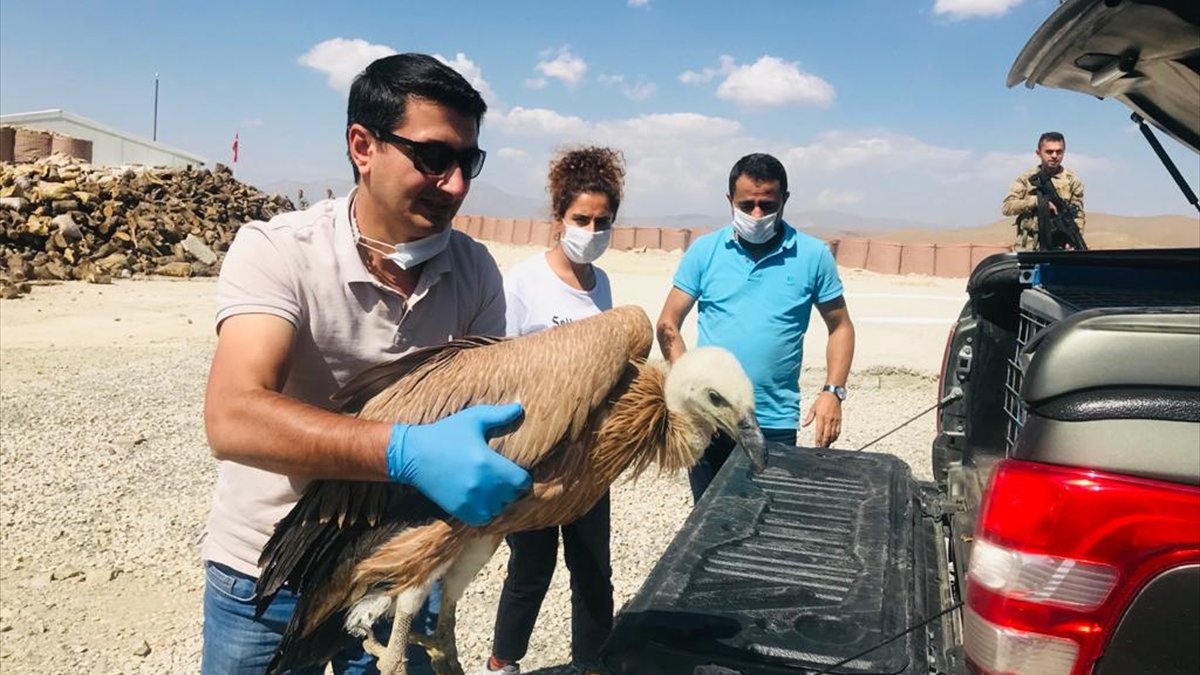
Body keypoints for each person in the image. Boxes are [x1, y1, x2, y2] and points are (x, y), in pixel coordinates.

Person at [199, 53, 533, 675]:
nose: (455, 185)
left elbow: (485, 423)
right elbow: (232, 417)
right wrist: (402, 451)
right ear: (362, 146)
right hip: (269, 571)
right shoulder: (279, 251)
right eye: (433, 157)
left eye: (468, 162)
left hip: (402, 568)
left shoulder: (475, 271)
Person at [478, 147, 625, 675]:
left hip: (589, 456)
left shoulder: (602, 285)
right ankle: (503, 660)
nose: (591, 230)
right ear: (559, 217)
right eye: (581, 219)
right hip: (533, 455)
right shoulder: (523, 282)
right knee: (531, 565)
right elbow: (498, 367)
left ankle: (592, 662)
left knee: (593, 568)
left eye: (602, 222)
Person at [657, 153, 856, 502]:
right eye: (747, 205)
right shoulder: (705, 252)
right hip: (712, 420)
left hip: (774, 421)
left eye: (768, 204)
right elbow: (668, 323)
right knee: (708, 518)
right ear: (729, 200)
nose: (758, 214)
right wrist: (692, 388)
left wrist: (833, 392)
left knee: (768, 518)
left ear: (785, 200)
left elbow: (840, 327)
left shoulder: (813, 256)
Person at [1002, 131, 1086, 251]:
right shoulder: (1026, 178)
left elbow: (1078, 214)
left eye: (1059, 151)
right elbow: (1007, 207)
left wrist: (1072, 240)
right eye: (1049, 152)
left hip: (1061, 247)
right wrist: (1038, 202)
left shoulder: (1072, 180)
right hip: (1029, 247)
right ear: (1039, 153)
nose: (1054, 156)